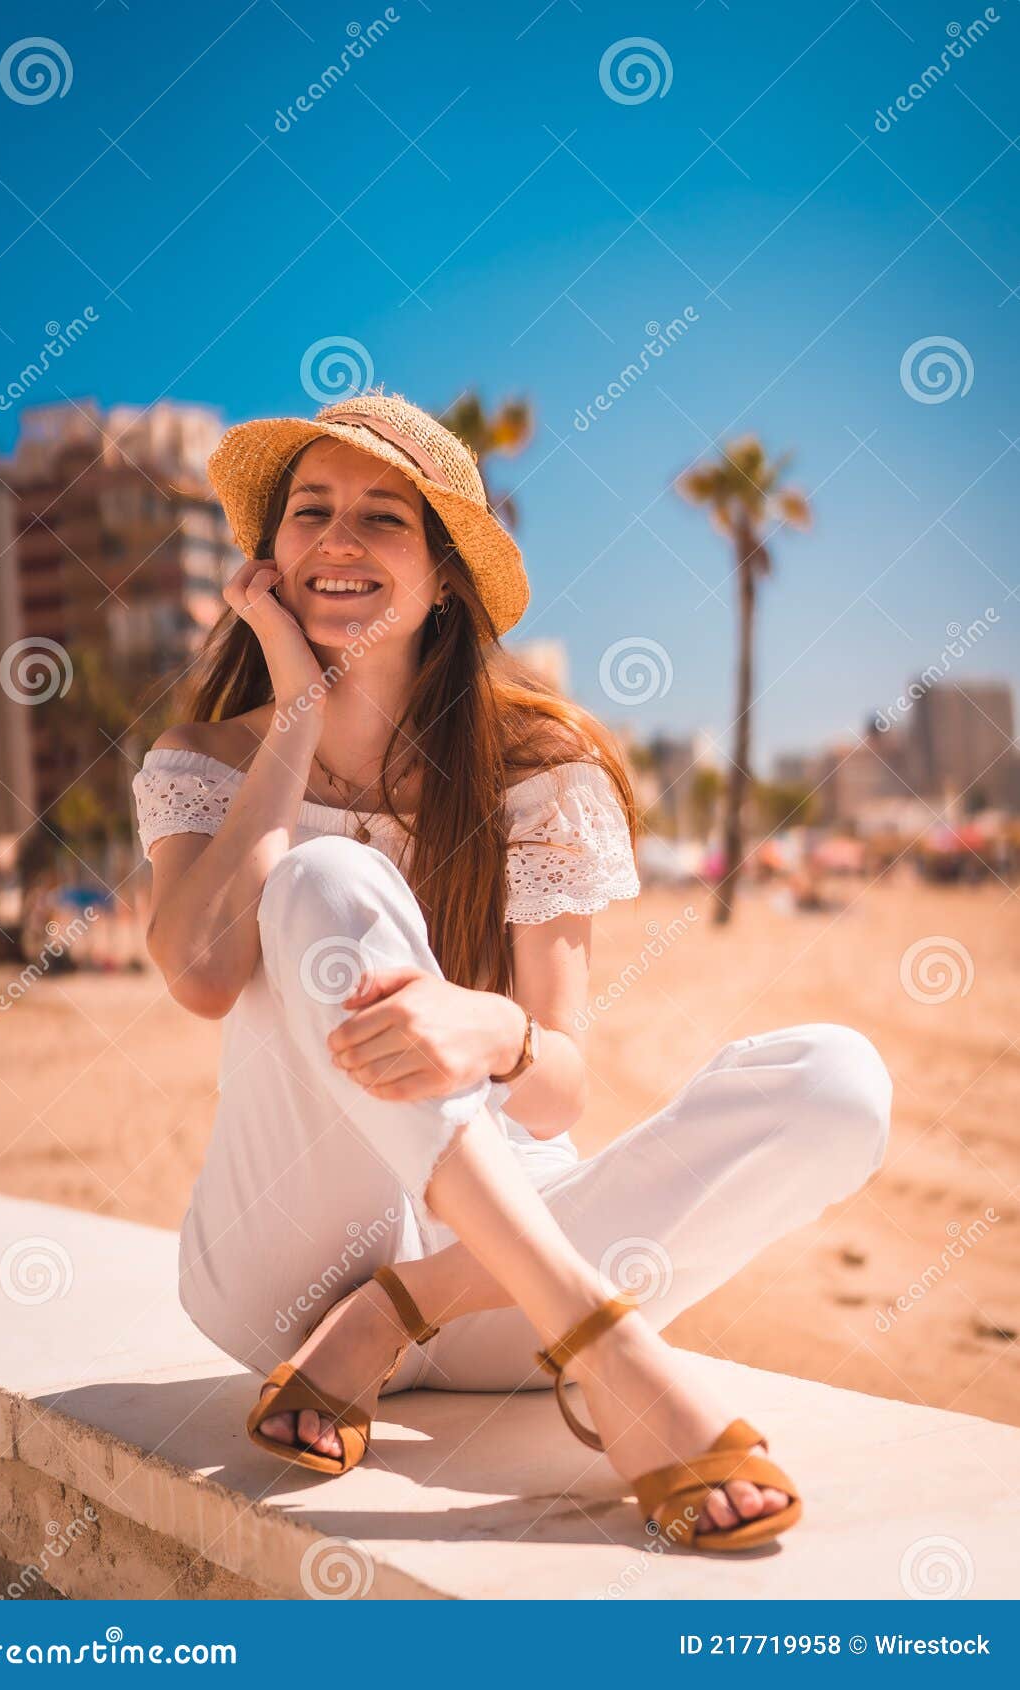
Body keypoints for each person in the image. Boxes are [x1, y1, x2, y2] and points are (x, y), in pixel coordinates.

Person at [133, 392, 892, 1552]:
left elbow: (556, 1090)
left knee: (839, 1084)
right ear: (268, 561)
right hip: (286, 1284)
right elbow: (196, 972)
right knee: (323, 886)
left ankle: (405, 1313)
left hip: (493, 1291)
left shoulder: (537, 765)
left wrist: (495, 1034)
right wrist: (294, 708)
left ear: (443, 576)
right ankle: (602, 1342)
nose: (336, 539)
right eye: (309, 512)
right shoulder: (208, 760)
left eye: (382, 517)